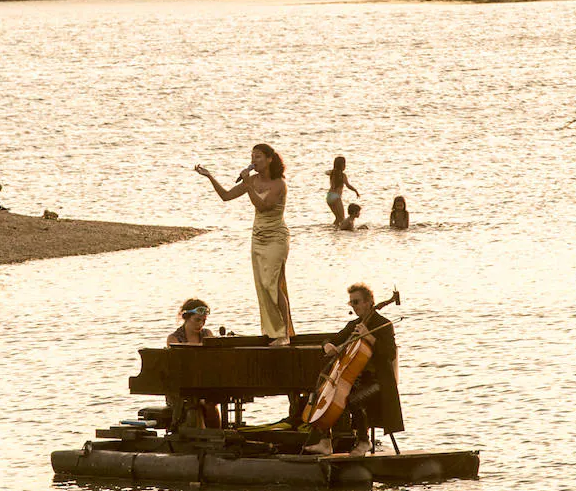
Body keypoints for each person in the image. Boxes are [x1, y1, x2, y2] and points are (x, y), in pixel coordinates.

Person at [194, 143, 294, 345]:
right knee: (263, 287)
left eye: (258, 157)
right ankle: (273, 331)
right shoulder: (253, 180)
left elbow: (264, 207)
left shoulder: (279, 184)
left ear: (269, 159)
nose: (254, 161)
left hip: (276, 237)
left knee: (272, 284)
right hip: (257, 238)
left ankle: (285, 334)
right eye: (252, 157)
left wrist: (248, 185)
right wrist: (210, 176)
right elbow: (226, 196)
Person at [304, 283, 404, 456]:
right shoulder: (354, 325)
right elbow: (332, 339)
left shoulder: (384, 324)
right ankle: (326, 442)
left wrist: (370, 337)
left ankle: (364, 442)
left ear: (368, 302)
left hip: (378, 381)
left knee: (351, 399)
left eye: (356, 302)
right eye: (352, 303)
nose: (354, 307)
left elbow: (389, 354)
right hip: (357, 379)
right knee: (331, 395)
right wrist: (327, 345)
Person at [165, 299, 222, 428]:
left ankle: (217, 434)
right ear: (186, 318)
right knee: (197, 404)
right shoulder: (174, 338)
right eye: (197, 320)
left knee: (211, 403)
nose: (200, 324)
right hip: (181, 386)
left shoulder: (207, 334)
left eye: (203, 320)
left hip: (204, 382)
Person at [326, 156, 360, 225]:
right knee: (342, 218)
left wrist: (332, 170)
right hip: (336, 197)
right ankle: (343, 230)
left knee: (338, 218)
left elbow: (326, 172)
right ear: (342, 166)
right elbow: (348, 185)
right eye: (344, 164)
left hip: (329, 197)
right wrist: (355, 191)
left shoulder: (332, 173)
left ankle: (334, 230)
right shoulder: (343, 175)